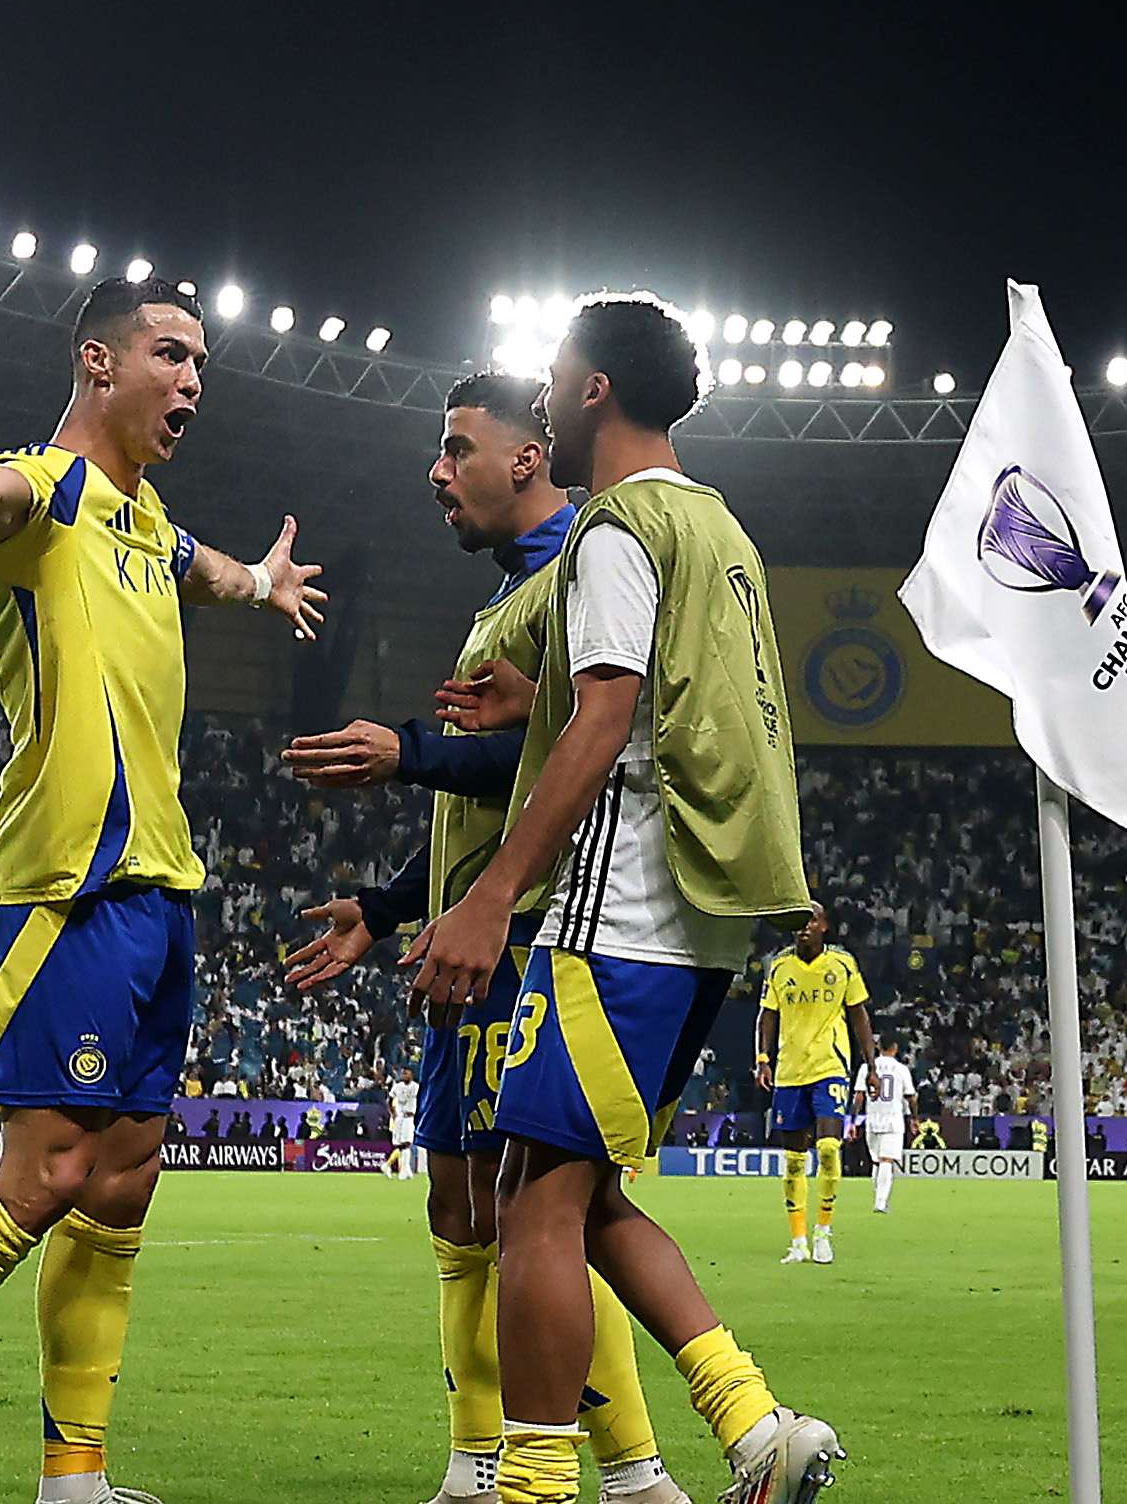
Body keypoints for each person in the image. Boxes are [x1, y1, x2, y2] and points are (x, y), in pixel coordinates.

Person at [0, 279, 324, 1504]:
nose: (194, 379)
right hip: (69, 887)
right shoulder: (52, 493)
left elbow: (208, 570)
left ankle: (74, 1479)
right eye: (171, 355)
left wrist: (266, 582)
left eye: (202, 362)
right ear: (100, 361)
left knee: (125, 1181)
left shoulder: (150, 522)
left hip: (162, 888)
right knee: (40, 1177)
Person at [413, 295, 843, 1504]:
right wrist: (532, 697)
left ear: (593, 387)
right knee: (588, 1191)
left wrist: (496, 890)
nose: (543, 396)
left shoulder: (616, 528)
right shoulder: (720, 527)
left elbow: (608, 719)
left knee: (531, 1198)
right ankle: (753, 1424)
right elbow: (659, 696)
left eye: (555, 375)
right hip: (707, 908)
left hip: (623, 908)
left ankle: (537, 1481)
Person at [282, 372, 684, 1504]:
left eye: (457, 446)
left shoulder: (580, 568)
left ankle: (631, 1468)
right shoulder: (507, 597)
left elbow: (568, 759)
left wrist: (407, 749)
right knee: (460, 1204)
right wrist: (391, 903)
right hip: (475, 930)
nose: (435, 469)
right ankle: (478, 1459)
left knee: (534, 1210)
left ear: (524, 455)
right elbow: (487, 804)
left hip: (540, 930)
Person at [757, 904, 872, 1264]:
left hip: (829, 1067)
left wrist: (871, 1066)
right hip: (790, 1072)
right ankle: (798, 1242)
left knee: (827, 1148)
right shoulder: (779, 966)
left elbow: (859, 1015)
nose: (803, 928)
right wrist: (763, 1059)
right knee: (793, 1159)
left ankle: (823, 1231)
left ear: (824, 926)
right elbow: (767, 1015)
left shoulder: (842, 964)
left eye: (810, 921)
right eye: (796, 923)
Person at [856, 1038, 917, 1215]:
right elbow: (911, 1097)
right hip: (893, 1120)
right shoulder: (901, 1069)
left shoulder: (866, 1067)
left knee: (877, 1161)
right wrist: (914, 1118)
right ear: (895, 1047)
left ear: (878, 1046)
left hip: (872, 1119)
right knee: (886, 1161)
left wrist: (852, 1121)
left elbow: (859, 1097)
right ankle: (881, 1202)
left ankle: (879, 1198)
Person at [386, 1071, 422, 1182]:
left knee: (407, 1144)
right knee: (402, 1145)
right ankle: (402, 1170)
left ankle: (405, 1170)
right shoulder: (397, 1087)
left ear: (411, 1075)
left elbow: (421, 1099)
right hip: (400, 1117)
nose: (404, 1076)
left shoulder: (416, 1087)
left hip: (409, 1117)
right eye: (403, 1074)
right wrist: (392, 1113)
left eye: (407, 1073)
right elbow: (389, 1099)